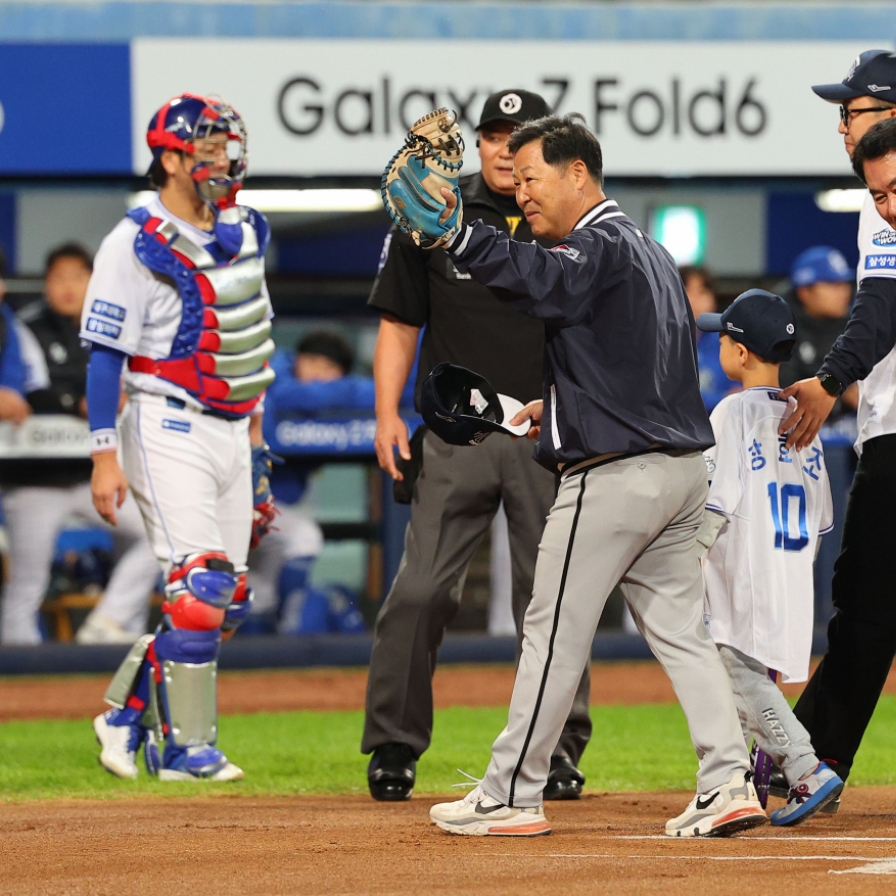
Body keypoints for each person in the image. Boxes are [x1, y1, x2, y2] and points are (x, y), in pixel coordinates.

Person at [426, 113, 765, 838]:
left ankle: (512, 792)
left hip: (618, 479)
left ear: (578, 172)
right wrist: (559, 407)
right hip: (678, 474)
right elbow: (639, 363)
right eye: (513, 184)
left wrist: (462, 236)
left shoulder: (597, 243)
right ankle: (728, 780)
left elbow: (542, 282)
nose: (521, 195)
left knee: (551, 631)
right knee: (680, 632)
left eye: (532, 178)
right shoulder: (649, 249)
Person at [363, 90, 592, 803]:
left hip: (547, 433)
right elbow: (400, 322)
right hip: (456, 430)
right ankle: (393, 747)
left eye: (515, 137)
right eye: (491, 134)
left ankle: (553, 748)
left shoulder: (566, 218)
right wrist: (387, 415)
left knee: (553, 597)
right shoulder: (431, 210)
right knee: (421, 590)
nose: (501, 148)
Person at [84, 93, 275, 782]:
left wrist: (256, 440)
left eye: (227, 145)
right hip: (165, 421)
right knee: (199, 585)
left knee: (228, 602)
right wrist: (104, 454)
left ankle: (124, 715)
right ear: (170, 158)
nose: (222, 159)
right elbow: (105, 353)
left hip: (233, 430)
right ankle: (187, 751)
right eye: (207, 148)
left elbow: (250, 339)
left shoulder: (248, 228)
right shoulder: (133, 239)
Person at [777, 52, 896, 804]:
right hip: (888, 424)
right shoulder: (875, 202)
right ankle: (808, 764)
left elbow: (882, 309)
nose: (842, 122)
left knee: (868, 601)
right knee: (867, 600)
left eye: (852, 109)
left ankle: (806, 762)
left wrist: (827, 381)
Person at [694, 290, 844, 827]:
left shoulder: (731, 411)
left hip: (746, 570)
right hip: (792, 570)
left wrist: (686, 562)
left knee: (734, 672)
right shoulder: (806, 417)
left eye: (723, 338)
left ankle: (805, 768)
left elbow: (715, 503)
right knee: (748, 676)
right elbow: (823, 519)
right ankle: (744, 783)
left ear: (738, 352)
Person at [0, 244, 159, 646]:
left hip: (93, 474)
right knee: (28, 580)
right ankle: (22, 681)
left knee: (158, 536)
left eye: (78, 276)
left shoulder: (115, 326)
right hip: (34, 478)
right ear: (45, 284)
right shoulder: (24, 325)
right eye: (58, 277)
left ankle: (106, 625)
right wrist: (77, 402)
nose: (68, 286)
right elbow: (32, 391)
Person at [247, 330, 374, 634]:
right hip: (238, 497)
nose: (319, 374)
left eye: (330, 369)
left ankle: (270, 650)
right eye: (313, 362)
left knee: (258, 594)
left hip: (272, 505)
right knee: (303, 536)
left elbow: (380, 393)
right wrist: (341, 391)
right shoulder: (273, 370)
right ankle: (291, 629)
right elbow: (289, 394)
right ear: (298, 359)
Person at [780, 246, 858, 417]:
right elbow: (786, 389)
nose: (844, 291)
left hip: (852, 430)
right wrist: (842, 395)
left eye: (845, 284)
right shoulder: (780, 327)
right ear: (804, 292)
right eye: (833, 284)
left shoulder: (854, 325)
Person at [680, 265, 738, 412]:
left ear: (714, 299)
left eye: (701, 292)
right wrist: (722, 399)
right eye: (686, 291)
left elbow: (740, 394)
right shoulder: (658, 341)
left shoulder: (728, 341)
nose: (693, 300)